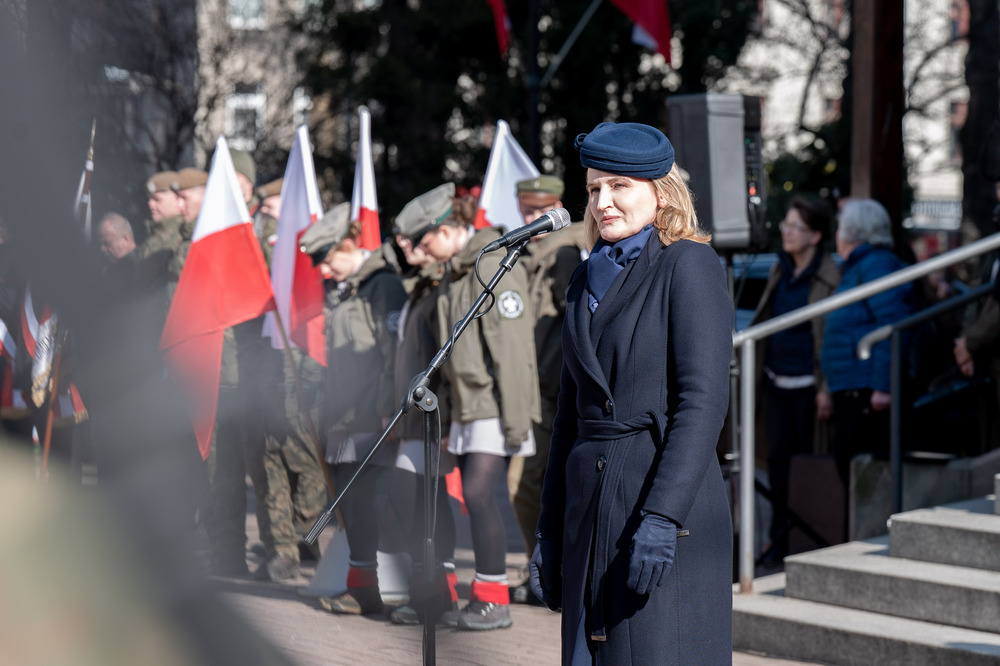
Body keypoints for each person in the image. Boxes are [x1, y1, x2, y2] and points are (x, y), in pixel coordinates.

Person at [530, 121, 733, 664]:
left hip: (658, 507)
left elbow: (702, 402)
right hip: (590, 512)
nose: (603, 202)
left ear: (660, 193)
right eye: (594, 188)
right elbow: (569, 417)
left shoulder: (688, 263)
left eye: (620, 186)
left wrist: (663, 516)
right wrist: (549, 529)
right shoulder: (583, 278)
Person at [418, 185, 541, 631]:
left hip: (493, 405)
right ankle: (484, 597)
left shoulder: (491, 262)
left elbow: (511, 348)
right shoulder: (454, 274)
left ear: (447, 230)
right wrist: (451, 416)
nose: (421, 251)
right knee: (472, 498)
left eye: (424, 241)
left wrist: (516, 421)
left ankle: (493, 599)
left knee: (479, 495)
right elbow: (450, 356)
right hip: (468, 408)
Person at [300, 202, 406, 615]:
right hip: (342, 416)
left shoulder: (382, 286)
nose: (325, 272)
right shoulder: (342, 291)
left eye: (328, 260)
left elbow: (393, 353)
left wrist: (388, 408)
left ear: (347, 245)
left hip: (372, 414)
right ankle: (361, 586)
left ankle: (396, 589)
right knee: (350, 504)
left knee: (372, 502)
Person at [506, 174, 589, 605]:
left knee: (530, 485)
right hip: (536, 389)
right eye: (526, 211)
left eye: (541, 210)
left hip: (560, 392)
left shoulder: (566, 252)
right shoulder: (527, 253)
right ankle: (543, 569)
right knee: (525, 487)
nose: (532, 218)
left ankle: (555, 572)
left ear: (557, 207)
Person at [386, 183, 460, 625]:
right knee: (413, 499)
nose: (409, 247)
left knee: (426, 501)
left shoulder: (442, 288)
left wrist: (447, 417)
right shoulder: (421, 288)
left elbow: (448, 361)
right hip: (414, 415)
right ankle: (428, 593)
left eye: (416, 239)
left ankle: (439, 597)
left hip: (435, 416)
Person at [750, 196, 839, 561]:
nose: (786, 232)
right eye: (785, 225)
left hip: (808, 387)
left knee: (808, 465)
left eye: (795, 227)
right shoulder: (780, 268)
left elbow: (830, 336)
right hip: (775, 381)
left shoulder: (829, 276)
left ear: (815, 236)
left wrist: (825, 388)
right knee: (777, 465)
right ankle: (778, 540)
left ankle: (806, 542)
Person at [820, 199, 915, 499]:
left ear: (853, 232)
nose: (837, 233)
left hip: (866, 392)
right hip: (851, 389)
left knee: (863, 480)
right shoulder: (856, 267)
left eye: (840, 226)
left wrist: (882, 386)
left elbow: (892, 325)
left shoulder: (876, 265)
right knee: (850, 472)